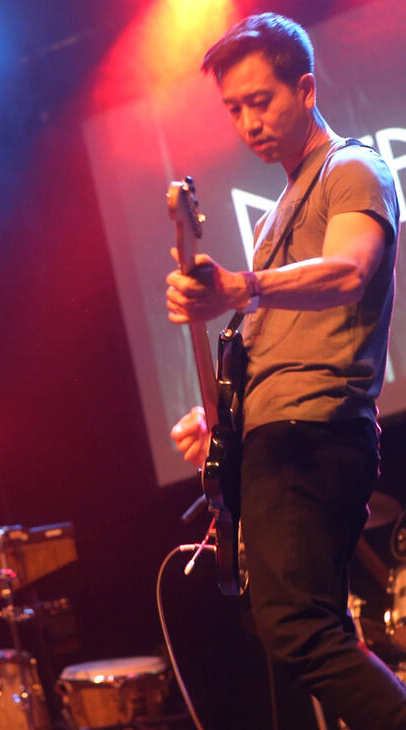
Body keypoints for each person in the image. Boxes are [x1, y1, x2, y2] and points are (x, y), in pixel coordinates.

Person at [166, 13, 406, 730]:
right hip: (280, 438)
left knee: (295, 628)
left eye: (260, 101)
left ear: (305, 89)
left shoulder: (353, 168)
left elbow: (352, 273)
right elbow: (273, 348)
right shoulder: (278, 212)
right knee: (306, 633)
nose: (247, 123)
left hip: (312, 436)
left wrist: (241, 287)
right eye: (233, 109)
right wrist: (216, 424)